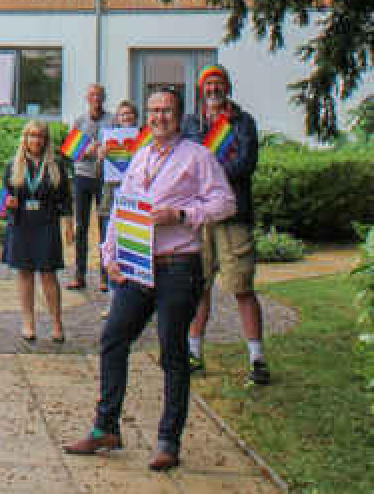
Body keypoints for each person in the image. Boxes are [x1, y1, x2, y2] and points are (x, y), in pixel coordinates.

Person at [64, 86, 235, 473]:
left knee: (172, 353)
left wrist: (182, 215)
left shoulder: (198, 156)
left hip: (178, 265)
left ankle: (168, 441)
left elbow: (225, 202)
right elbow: (123, 208)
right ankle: (106, 427)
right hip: (138, 266)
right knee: (113, 338)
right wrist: (109, 256)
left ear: (179, 115)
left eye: (167, 111)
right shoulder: (140, 156)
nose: (159, 117)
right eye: (154, 111)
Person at [182, 63, 270, 384]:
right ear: (201, 90)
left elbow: (246, 163)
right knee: (199, 286)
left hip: (233, 215)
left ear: (227, 87)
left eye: (219, 84)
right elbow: (186, 160)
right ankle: (193, 354)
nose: (213, 89)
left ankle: (257, 360)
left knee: (241, 286)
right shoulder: (191, 123)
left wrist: (211, 179)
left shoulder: (243, 122)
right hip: (200, 214)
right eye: (208, 84)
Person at [2, 119, 74, 343]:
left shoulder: (56, 165)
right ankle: (28, 322)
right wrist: (8, 202)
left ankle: (56, 323)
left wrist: (69, 225)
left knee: (48, 274)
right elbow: (3, 198)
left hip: (46, 223)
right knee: (24, 273)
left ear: (46, 140)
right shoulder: (13, 165)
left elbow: (65, 198)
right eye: (31, 135)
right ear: (25, 138)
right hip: (21, 223)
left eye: (40, 136)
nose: (35, 140)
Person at [66, 82, 108, 290]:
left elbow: (119, 147)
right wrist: (87, 150)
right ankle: (79, 274)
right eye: (92, 95)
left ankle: (105, 275)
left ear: (104, 98)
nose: (96, 99)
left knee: (105, 227)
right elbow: (70, 151)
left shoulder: (112, 121)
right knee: (81, 227)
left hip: (104, 178)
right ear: (87, 98)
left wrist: (106, 149)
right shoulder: (79, 121)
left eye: (99, 95)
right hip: (82, 176)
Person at [96, 98, 140, 293]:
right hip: (111, 198)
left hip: (136, 201)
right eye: (123, 114)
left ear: (136, 117)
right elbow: (99, 176)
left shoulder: (144, 139)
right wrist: (101, 157)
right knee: (111, 246)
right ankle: (114, 298)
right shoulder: (108, 139)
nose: (127, 117)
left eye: (130, 114)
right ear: (117, 118)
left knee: (134, 246)